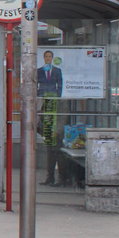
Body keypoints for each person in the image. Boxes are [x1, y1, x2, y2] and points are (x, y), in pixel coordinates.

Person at [38, 50, 65, 185]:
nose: (48, 58)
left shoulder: (57, 71)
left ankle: (60, 177)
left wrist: (57, 130)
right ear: (44, 58)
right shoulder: (39, 71)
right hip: (50, 128)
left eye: (50, 57)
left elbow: (60, 85)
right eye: (46, 56)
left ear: (52, 58)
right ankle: (51, 177)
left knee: (58, 151)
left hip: (57, 131)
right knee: (51, 150)